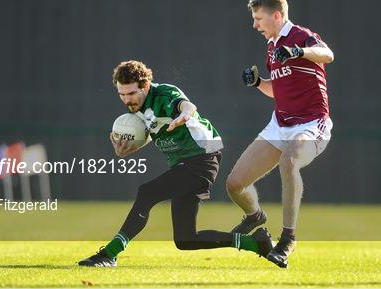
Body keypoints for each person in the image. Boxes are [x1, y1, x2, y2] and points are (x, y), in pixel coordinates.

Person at [78, 60, 273, 267]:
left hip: (202, 158)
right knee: (185, 239)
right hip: (184, 163)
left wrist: (185, 115)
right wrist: (129, 148)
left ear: (144, 86)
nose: (127, 100)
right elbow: (155, 130)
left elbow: (186, 105)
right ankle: (256, 243)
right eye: (122, 94)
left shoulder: (164, 94)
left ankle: (110, 253)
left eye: (132, 93)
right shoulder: (137, 109)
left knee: (147, 192)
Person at [226, 0, 334, 268]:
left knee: (289, 162)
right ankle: (255, 217)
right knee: (235, 184)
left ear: (277, 15)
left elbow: (327, 54)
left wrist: (299, 51)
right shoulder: (272, 46)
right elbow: (278, 91)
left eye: (258, 18)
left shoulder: (299, 35)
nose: (255, 25)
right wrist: (257, 83)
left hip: (312, 123)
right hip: (280, 123)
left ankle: (288, 239)